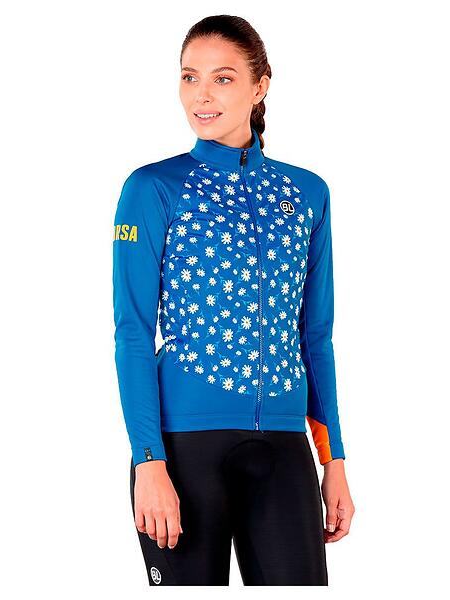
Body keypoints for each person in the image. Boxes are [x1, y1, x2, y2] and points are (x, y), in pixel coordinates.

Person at [112, 14, 355, 586]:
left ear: (260, 85)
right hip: (183, 450)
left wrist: (335, 460)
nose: (201, 94)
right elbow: (132, 332)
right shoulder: (153, 188)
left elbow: (315, 336)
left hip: (285, 447)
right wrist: (149, 462)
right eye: (189, 77)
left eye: (222, 78)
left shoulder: (307, 192)